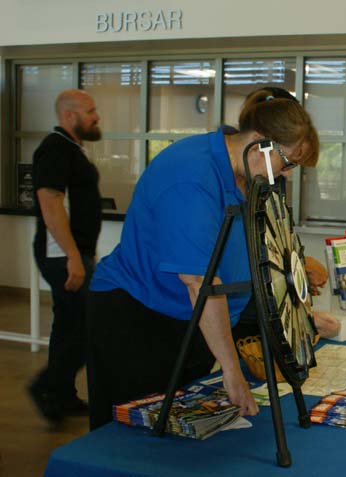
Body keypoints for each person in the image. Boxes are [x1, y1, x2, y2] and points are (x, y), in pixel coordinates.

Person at [86, 87, 320, 430]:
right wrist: (231, 368)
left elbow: (254, 249)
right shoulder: (192, 177)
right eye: (286, 163)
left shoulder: (245, 175)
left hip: (192, 321)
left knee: (180, 434)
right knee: (129, 438)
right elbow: (201, 282)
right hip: (138, 319)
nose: (286, 174)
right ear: (259, 142)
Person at [28, 89, 103, 425]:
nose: (96, 116)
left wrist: (84, 253)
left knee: (70, 325)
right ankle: (46, 386)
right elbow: (51, 203)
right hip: (62, 254)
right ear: (69, 115)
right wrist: (73, 256)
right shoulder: (56, 148)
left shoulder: (71, 149)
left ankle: (61, 394)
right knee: (85, 326)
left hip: (75, 252)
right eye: (90, 111)